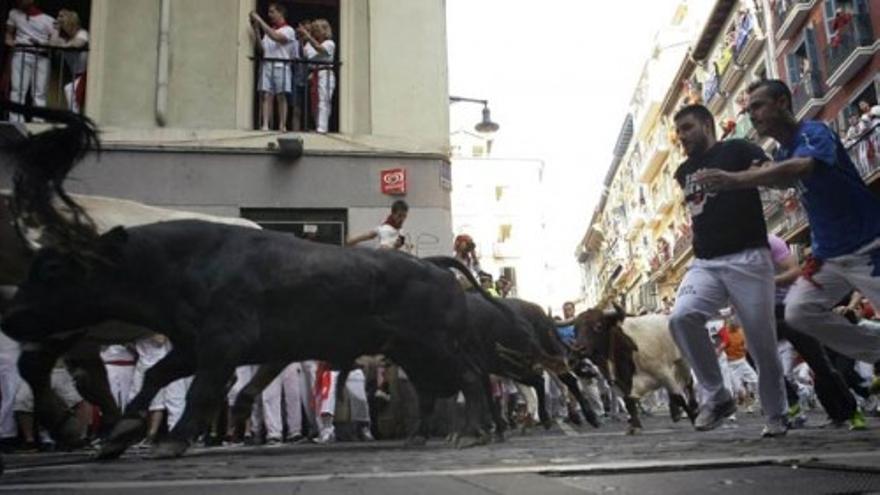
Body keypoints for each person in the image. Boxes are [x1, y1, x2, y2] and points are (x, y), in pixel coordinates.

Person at [694, 79, 880, 365]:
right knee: (798, 312)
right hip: (829, 258)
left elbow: (802, 166)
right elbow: (782, 177)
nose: (751, 115)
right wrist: (761, 170)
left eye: (758, 106)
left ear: (782, 102)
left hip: (868, 247)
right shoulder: (781, 154)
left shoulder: (814, 132)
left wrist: (736, 179)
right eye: (748, 110)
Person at [668, 103, 787, 437]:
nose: (683, 136)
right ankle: (718, 397)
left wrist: (733, 180)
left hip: (748, 257)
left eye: (688, 127)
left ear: (707, 124)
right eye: (679, 131)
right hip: (705, 261)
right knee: (681, 317)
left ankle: (776, 414)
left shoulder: (737, 149)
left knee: (762, 344)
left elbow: (776, 175)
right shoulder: (683, 171)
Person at [767, 234, 864, 430]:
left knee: (819, 364)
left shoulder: (771, 242)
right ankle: (792, 400)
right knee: (755, 357)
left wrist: (769, 281)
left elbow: (794, 271)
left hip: (790, 309)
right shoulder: (734, 252)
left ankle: (851, 412)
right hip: (765, 313)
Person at [4, 0, 54, 122]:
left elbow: (54, 41)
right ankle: (15, 119)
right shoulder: (14, 13)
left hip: (42, 56)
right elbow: (9, 34)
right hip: (21, 53)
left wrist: (41, 44)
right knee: (18, 89)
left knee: (39, 91)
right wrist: (12, 42)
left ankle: (38, 120)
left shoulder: (48, 20)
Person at [250, 3, 297, 132]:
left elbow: (276, 38)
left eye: (272, 12)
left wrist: (260, 20)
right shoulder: (269, 30)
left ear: (280, 13)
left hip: (281, 66)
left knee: (281, 96)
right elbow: (262, 49)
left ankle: (282, 125)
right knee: (266, 95)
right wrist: (256, 31)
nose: (269, 15)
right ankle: (265, 124)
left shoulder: (288, 30)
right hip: (267, 65)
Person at [298, 18, 335, 133]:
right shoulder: (310, 44)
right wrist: (301, 40)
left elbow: (320, 49)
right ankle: (317, 124)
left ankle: (322, 127)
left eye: (317, 29)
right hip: (314, 74)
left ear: (324, 31)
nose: (315, 32)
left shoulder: (329, 43)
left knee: (323, 100)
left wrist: (307, 36)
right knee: (315, 101)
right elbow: (304, 55)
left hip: (325, 73)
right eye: (314, 30)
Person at [48, 9, 88, 113]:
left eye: (62, 17)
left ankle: (75, 118)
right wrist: (56, 30)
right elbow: (53, 45)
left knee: (69, 89)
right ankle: (76, 117)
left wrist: (64, 46)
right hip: (76, 75)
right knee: (71, 91)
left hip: (87, 74)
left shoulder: (82, 33)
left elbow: (77, 44)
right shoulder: (65, 39)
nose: (58, 19)